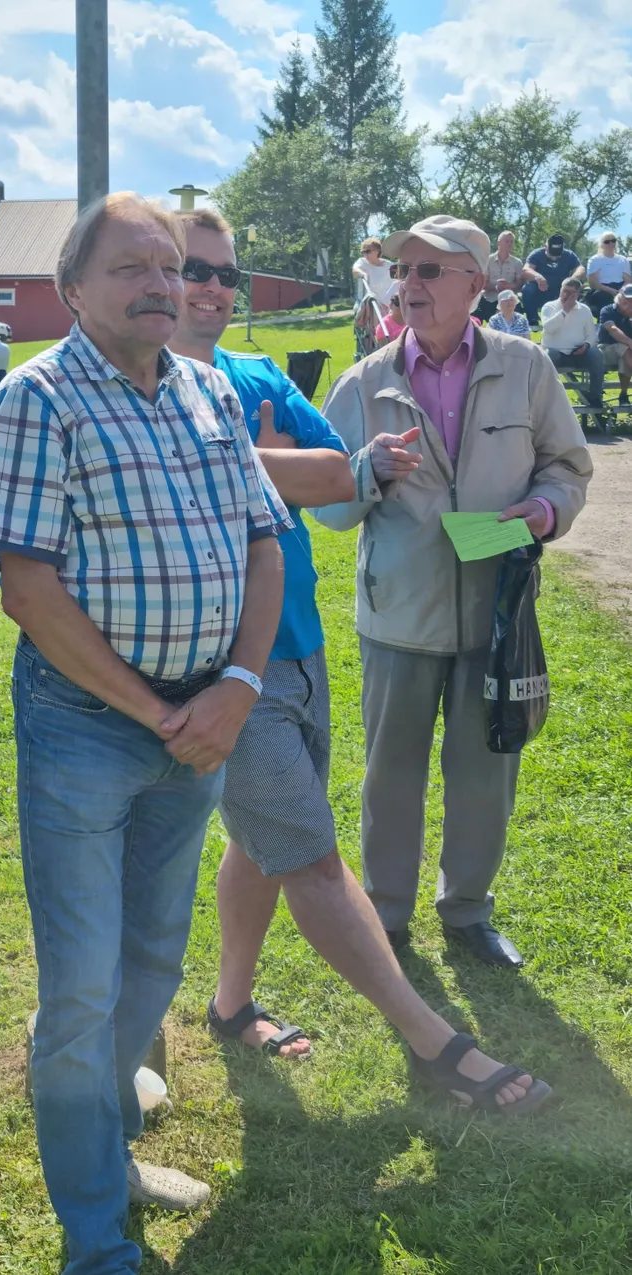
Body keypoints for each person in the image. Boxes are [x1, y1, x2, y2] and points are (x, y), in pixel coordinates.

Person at [0, 192, 291, 1275]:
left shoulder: (200, 391)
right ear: (71, 290)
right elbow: (26, 590)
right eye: (132, 268)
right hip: (89, 731)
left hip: (200, 716)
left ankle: (105, 1150)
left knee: (150, 961)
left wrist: (236, 683)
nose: (162, 284)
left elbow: (260, 542)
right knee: (82, 985)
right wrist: (160, 714)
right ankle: (93, 1238)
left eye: (173, 265)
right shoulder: (37, 398)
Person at [170, 207, 551, 1116]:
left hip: (295, 645)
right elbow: (314, 477)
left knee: (258, 846)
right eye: (195, 270)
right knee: (307, 846)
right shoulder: (132, 388)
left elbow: (345, 469)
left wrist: (276, 464)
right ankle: (439, 1045)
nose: (214, 288)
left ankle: (230, 1005)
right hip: (220, 656)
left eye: (230, 275)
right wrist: (271, 462)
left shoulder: (259, 373)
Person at [314, 214, 592, 970]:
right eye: (404, 271)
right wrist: (366, 471)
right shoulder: (364, 382)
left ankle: (468, 910)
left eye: (431, 271)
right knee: (389, 775)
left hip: (495, 618)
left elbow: (568, 468)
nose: (410, 285)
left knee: (484, 776)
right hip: (399, 617)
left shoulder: (526, 367)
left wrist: (542, 511)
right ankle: (389, 919)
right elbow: (330, 507)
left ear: (479, 281)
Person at [541, 280, 606, 424]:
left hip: (579, 352)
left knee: (596, 354)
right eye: (564, 291)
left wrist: (586, 345)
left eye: (570, 292)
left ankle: (595, 397)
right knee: (549, 356)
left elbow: (591, 334)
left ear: (577, 294)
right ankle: (546, 400)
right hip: (556, 352)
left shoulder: (584, 310)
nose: (565, 295)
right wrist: (565, 310)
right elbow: (548, 328)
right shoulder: (549, 306)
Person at [521, 232, 584, 327]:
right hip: (541, 290)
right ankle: (533, 320)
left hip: (561, 290)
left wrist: (573, 278)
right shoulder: (537, 254)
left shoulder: (569, 255)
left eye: (557, 254)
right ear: (545, 247)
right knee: (528, 288)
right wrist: (538, 277)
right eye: (552, 253)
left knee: (576, 288)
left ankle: (571, 319)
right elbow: (526, 269)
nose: (554, 257)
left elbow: (581, 269)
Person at [475, 231, 525, 322]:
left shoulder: (517, 263)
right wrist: (496, 287)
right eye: (507, 241)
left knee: (518, 316)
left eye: (511, 241)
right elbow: (482, 282)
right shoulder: (488, 260)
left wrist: (509, 287)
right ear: (499, 243)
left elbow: (519, 284)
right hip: (489, 297)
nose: (509, 243)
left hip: (509, 299)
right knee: (475, 312)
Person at [598, 284, 632, 405]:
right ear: (620, 298)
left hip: (626, 353)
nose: (630, 303)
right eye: (627, 300)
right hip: (605, 350)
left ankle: (623, 395)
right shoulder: (607, 310)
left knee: (625, 355)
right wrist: (630, 342)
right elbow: (612, 329)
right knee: (624, 347)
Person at [585, 232, 631, 317]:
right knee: (602, 298)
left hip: (621, 288)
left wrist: (621, 291)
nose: (611, 243)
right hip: (602, 288)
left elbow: (627, 280)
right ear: (601, 244)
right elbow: (593, 282)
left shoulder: (623, 260)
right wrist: (609, 290)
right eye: (607, 241)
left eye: (613, 241)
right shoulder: (595, 260)